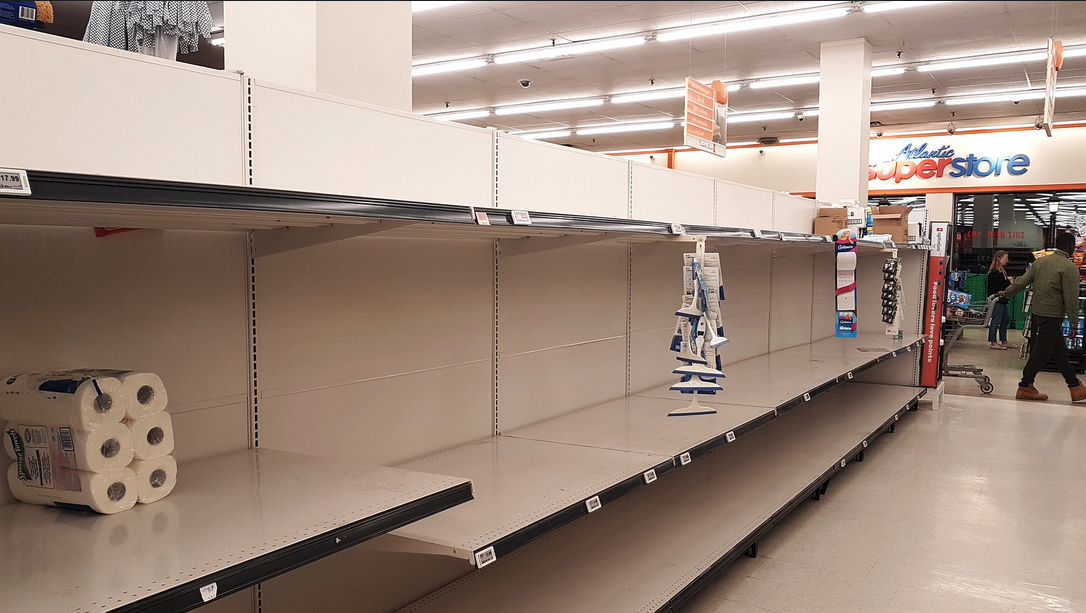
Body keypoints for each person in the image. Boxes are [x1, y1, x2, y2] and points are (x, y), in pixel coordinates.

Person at [1000, 232, 1086, 401]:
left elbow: (1022, 281)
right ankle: (1025, 386)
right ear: (1070, 247)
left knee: (1059, 351)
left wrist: (1006, 294)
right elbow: (1071, 298)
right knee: (1042, 352)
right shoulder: (1069, 268)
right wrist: (1074, 323)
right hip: (1053, 314)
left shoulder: (1041, 262)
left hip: (1038, 313)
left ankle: (1075, 386)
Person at [986, 250, 1014, 350]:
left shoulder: (1002, 271)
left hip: (1003, 299)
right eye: (1005, 258)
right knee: (996, 320)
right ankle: (993, 341)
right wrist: (1008, 281)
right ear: (999, 258)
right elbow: (998, 287)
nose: (1007, 260)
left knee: (1005, 319)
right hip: (996, 300)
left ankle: (1004, 340)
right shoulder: (995, 272)